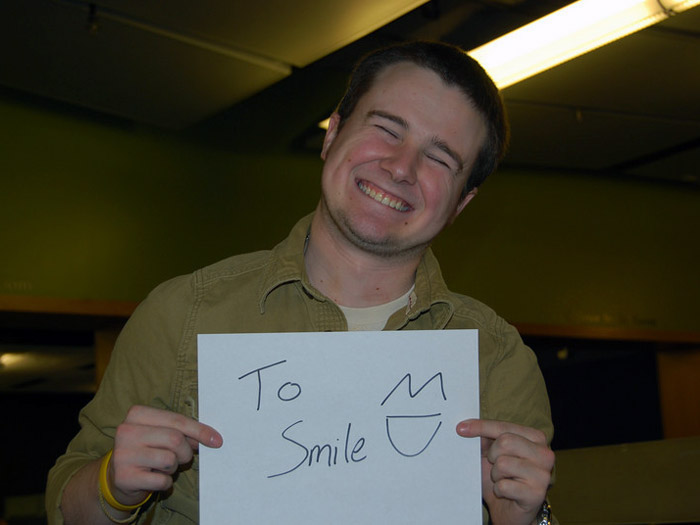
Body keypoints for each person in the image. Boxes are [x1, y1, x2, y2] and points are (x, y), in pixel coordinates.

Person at [46, 41, 555, 525]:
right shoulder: (183, 313)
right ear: (333, 133)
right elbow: (69, 507)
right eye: (386, 129)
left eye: (441, 158)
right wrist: (114, 485)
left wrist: (524, 518)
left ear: (462, 202)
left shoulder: (497, 360)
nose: (401, 167)